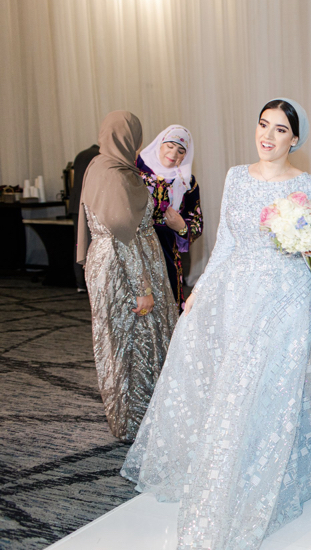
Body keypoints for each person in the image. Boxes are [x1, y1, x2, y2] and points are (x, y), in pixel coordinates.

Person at [121, 98, 311, 550]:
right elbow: (226, 244)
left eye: (279, 130)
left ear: (295, 139)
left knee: (276, 387)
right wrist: (200, 293)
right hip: (238, 295)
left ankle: (273, 474)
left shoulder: (309, 185)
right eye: (263, 125)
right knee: (237, 386)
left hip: (288, 297)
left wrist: (302, 237)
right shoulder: (235, 176)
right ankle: (233, 466)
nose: (267, 136)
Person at [77, 111, 178, 442]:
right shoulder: (116, 176)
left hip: (107, 262)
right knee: (134, 341)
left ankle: (133, 417)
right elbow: (125, 235)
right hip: (124, 268)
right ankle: (135, 420)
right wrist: (142, 288)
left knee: (118, 340)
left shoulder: (100, 166)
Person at [137, 125, 203, 310]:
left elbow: (197, 221)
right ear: (160, 144)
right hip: (137, 250)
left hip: (167, 253)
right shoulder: (137, 173)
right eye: (170, 146)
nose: (174, 153)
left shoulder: (187, 182)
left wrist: (182, 226)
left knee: (168, 305)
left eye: (181, 150)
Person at [69, 143, 100, 292]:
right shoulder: (99, 156)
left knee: (78, 243)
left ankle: (79, 282)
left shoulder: (80, 155)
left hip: (75, 203)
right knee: (94, 243)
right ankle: (90, 283)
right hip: (91, 203)